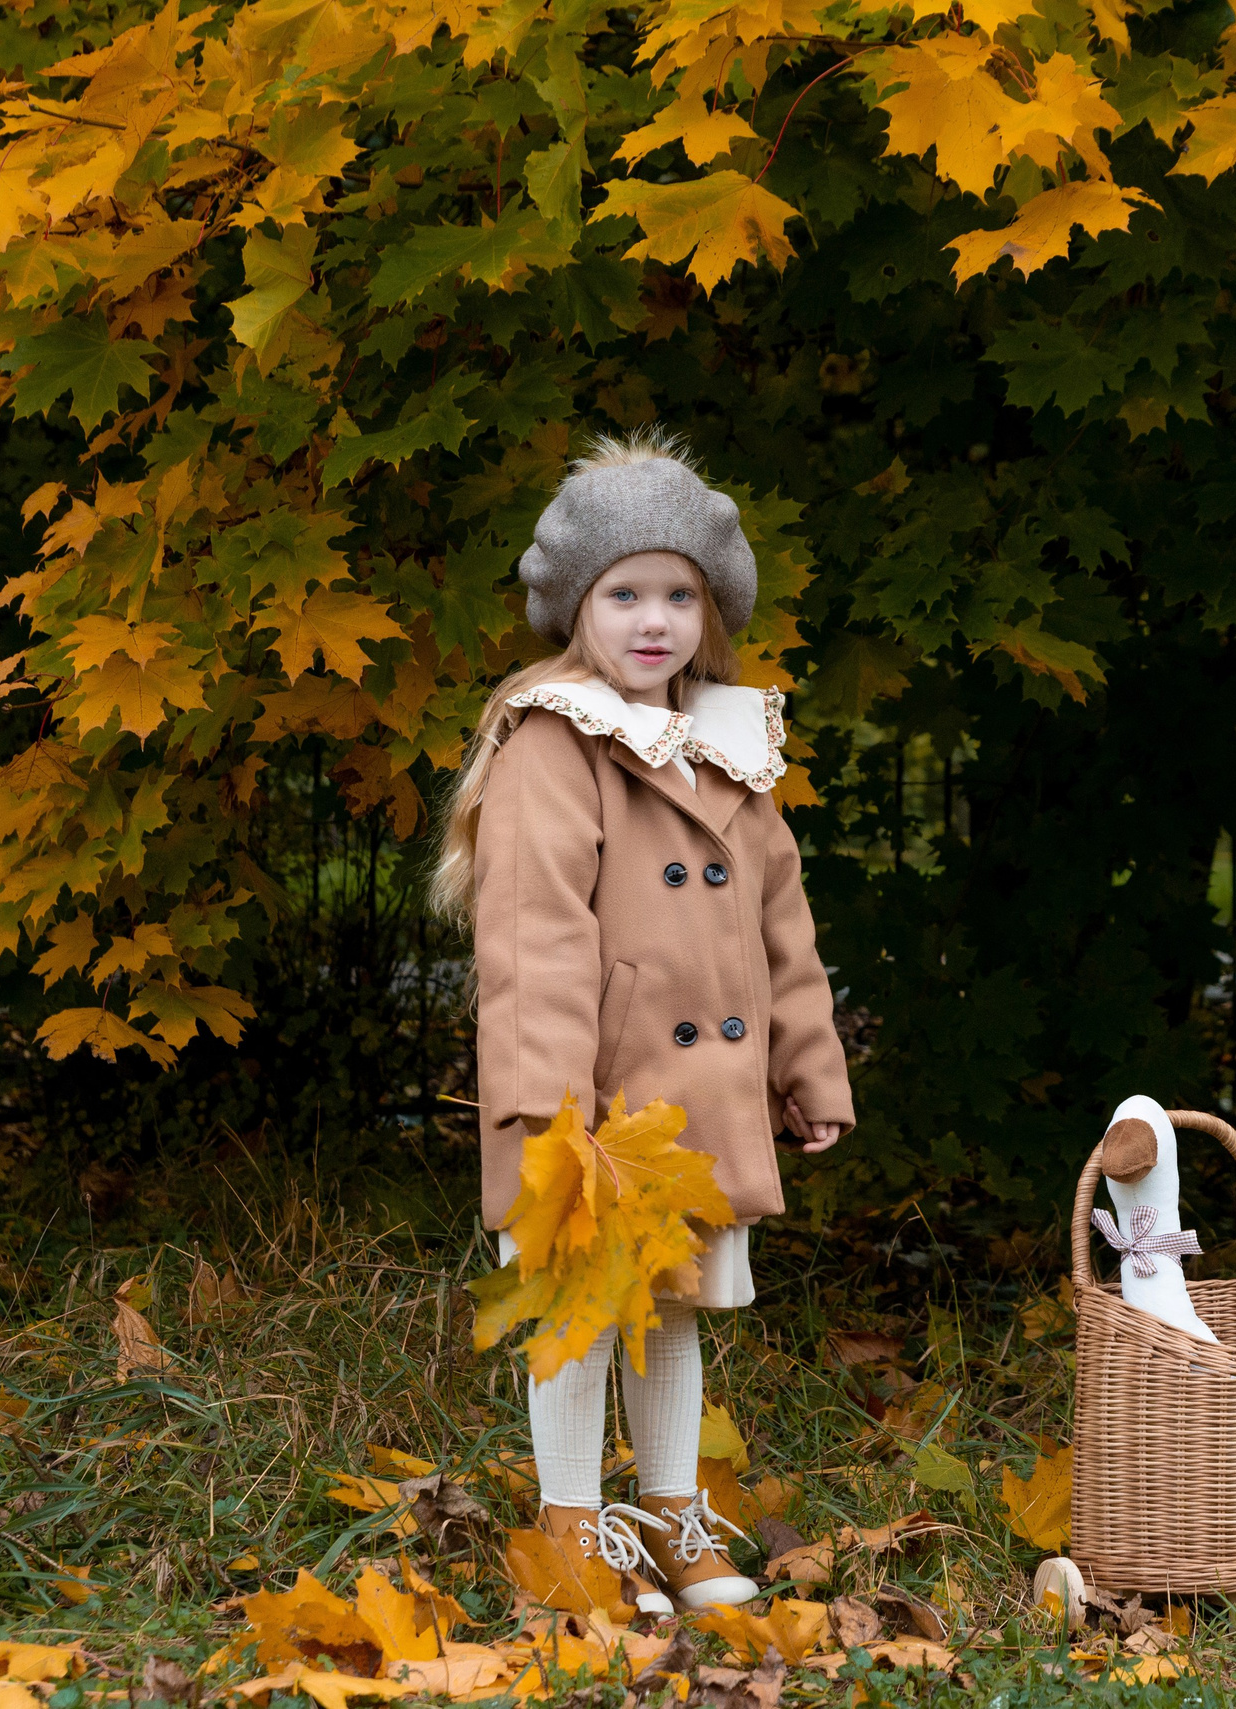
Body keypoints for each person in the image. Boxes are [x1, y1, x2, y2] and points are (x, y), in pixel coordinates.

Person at [430, 431, 856, 1611]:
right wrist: (547, 1112)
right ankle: (571, 1525)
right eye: (623, 593)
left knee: (676, 1311)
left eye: (678, 593)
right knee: (580, 1310)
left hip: (694, 1109)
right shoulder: (554, 743)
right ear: (579, 610)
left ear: (710, 611)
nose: (652, 618)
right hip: (587, 1107)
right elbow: (533, 938)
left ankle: (672, 1517)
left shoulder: (733, 749)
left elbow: (784, 930)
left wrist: (809, 1072)